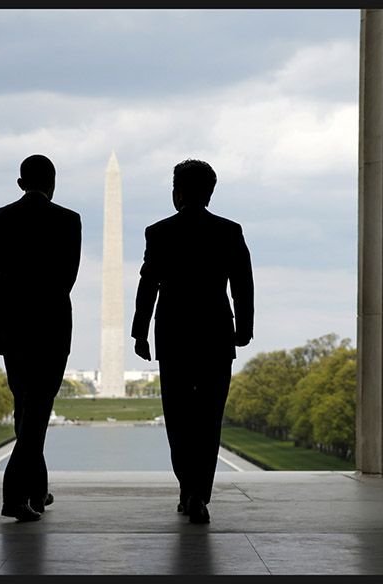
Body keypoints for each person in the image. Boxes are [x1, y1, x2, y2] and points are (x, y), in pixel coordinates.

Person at [131, 159, 254, 524]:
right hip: (216, 334)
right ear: (210, 192)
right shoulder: (229, 231)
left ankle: (189, 490)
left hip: (174, 335)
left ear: (177, 192)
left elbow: (147, 285)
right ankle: (200, 492)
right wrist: (244, 328)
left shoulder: (159, 232)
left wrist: (139, 332)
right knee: (209, 419)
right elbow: (242, 284)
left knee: (179, 419)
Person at [0, 154, 82, 522]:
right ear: (53, 183)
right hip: (52, 326)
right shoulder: (68, 220)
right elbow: (67, 278)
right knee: (37, 410)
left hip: (14, 328)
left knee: (27, 408)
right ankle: (14, 496)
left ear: (20, 183)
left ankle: (37, 489)